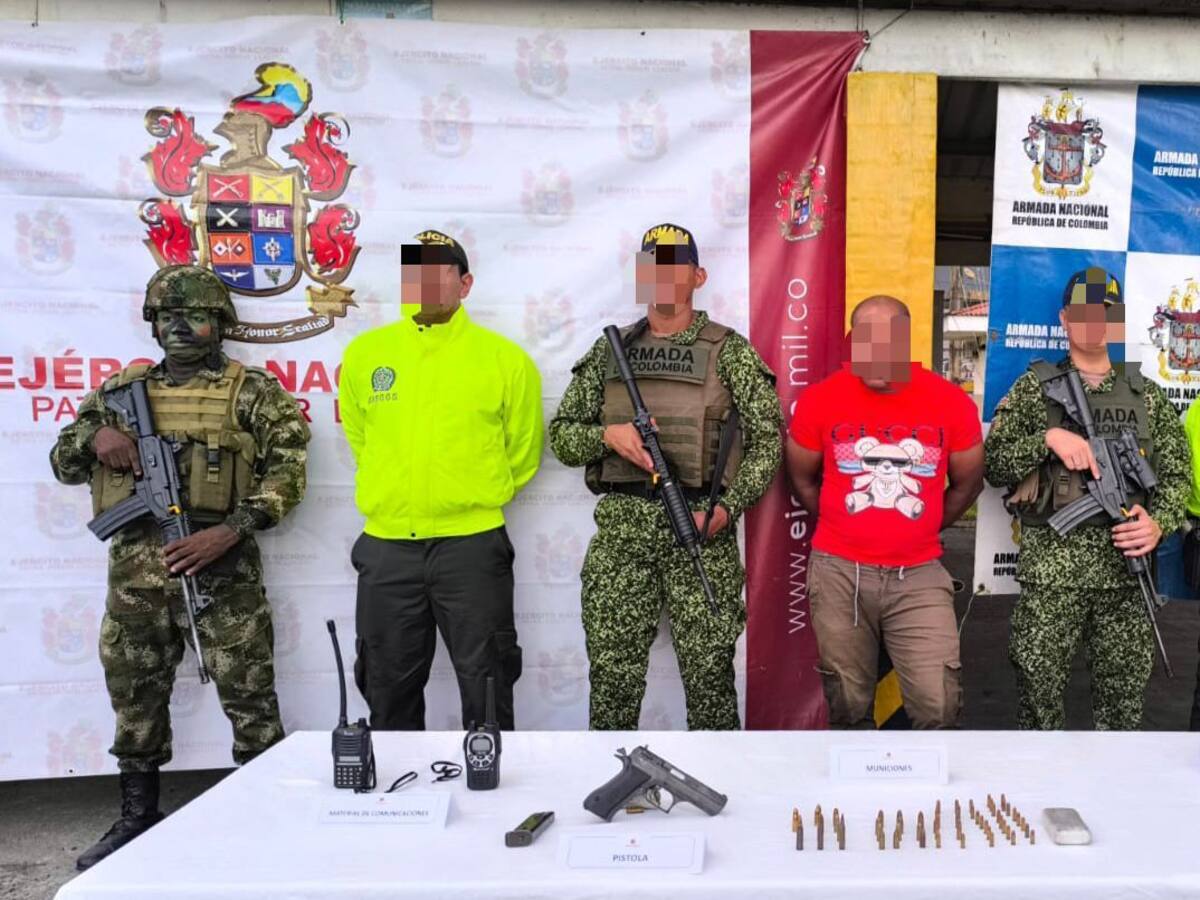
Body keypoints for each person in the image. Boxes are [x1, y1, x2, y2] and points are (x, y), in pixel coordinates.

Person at [50, 265, 310, 869]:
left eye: (194, 316)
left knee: (249, 697)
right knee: (134, 696)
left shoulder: (252, 392)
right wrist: (96, 439)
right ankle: (138, 816)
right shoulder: (119, 393)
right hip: (136, 582)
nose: (179, 328)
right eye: (167, 317)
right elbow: (63, 463)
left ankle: (268, 819)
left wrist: (230, 530)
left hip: (223, 573)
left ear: (219, 323)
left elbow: (289, 472)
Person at [549, 223, 781, 730]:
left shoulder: (729, 351)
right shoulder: (611, 350)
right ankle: (614, 774)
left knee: (710, 685)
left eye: (674, 266)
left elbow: (768, 443)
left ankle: (715, 780)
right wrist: (608, 437)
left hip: (699, 535)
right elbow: (562, 436)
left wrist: (726, 510)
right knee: (612, 685)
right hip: (622, 541)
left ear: (698, 276)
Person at [340, 229, 543, 731]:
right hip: (388, 550)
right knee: (387, 685)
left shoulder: (505, 360)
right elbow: (362, 440)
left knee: (487, 681)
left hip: (472, 549)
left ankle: (490, 776)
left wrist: (467, 497)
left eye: (438, 271)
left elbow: (522, 453)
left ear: (465, 284)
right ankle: (397, 781)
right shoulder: (366, 355)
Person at [985, 267, 1190, 730]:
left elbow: (1178, 476)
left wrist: (1158, 522)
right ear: (1064, 318)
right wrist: (1047, 439)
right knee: (1038, 702)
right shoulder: (1035, 389)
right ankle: (1041, 777)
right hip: (1052, 577)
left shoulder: (1147, 396)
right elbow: (994, 465)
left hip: (1126, 581)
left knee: (1121, 712)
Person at [786, 295, 983, 729]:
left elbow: (969, 483)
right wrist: (842, 523)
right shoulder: (822, 400)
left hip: (919, 573)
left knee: (939, 704)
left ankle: (928, 779)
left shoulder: (949, 402)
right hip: (839, 574)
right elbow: (801, 478)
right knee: (848, 703)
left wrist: (923, 526)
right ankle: (853, 777)